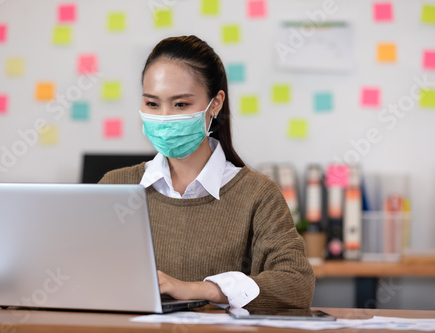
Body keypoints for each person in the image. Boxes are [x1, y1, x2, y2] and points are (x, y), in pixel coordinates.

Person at [99, 35, 315, 309]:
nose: (164, 117)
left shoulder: (257, 195)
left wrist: (201, 290)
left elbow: (296, 284)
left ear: (215, 103)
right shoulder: (116, 186)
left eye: (181, 105)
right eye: (152, 104)